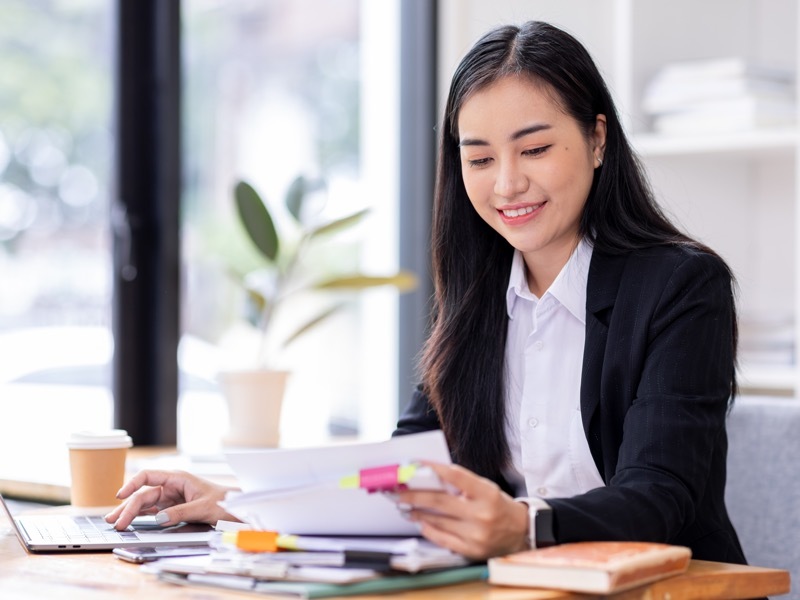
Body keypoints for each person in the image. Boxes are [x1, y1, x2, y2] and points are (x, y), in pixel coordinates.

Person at [106, 20, 747, 565]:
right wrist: (234, 502)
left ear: (598, 139)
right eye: (480, 159)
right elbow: (399, 471)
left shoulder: (682, 287)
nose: (508, 184)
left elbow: (662, 492)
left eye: (536, 148)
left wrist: (523, 527)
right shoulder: (475, 295)